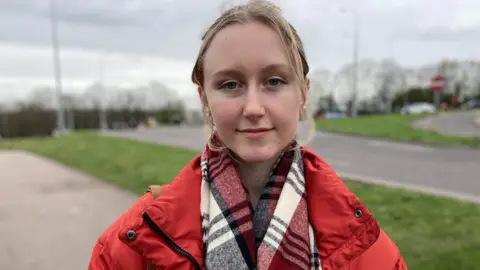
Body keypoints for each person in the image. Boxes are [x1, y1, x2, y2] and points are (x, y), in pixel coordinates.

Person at [88, 1, 407, 269]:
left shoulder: (366, 249)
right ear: (204, 100)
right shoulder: (130, 246)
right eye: (230, 84)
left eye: (274, 81)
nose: (253, 107)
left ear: (303, 95)